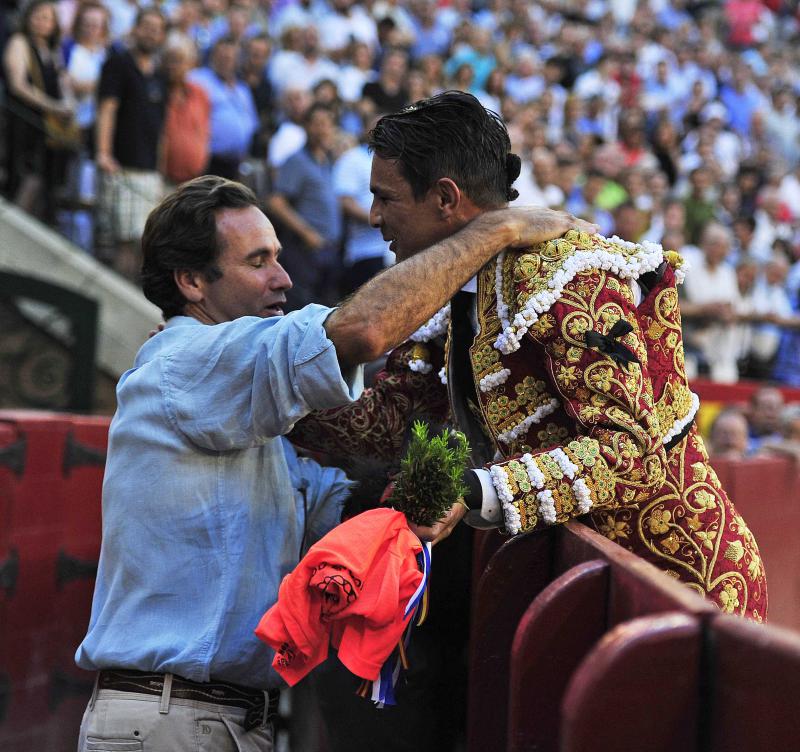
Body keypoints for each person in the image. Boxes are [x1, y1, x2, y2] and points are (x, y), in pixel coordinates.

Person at [74, 173, 585, 752]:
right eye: (258, 261)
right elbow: (360, 331)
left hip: (209, 719)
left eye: (278, 257)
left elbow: (341, 510)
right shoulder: (188, 358)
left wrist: (453, 490)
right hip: (174, 720)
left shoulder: (233, 402)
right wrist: (498, 230)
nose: (283, 279)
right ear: (191, 282)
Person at [294, 91, 767, 621]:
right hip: (583, 585)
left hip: (677, 581)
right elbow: (387, 422)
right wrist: (264, 396)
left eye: (387, 198)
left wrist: (473, 491)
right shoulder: (447, 290)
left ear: (446, 198)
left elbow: (629, 454)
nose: (374, 215)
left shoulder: (564, 277)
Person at [95, 7, 167, 280]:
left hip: (148, 172)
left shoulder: (159, 75)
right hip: (121, 166)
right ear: (135, 29)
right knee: (124, 241)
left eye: (157, 29)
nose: (151, 33)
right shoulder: (118, 63)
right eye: (146, 26)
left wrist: (159, 171)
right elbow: (107, 109)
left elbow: (160, 129)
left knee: (143, 243)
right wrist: (103, 152)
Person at [2, 0, 73, 219]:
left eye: (47, 18)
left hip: (43, 127)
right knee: (22, 174)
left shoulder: (52, 51)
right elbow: (18, 85)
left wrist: (68, 104)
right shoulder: (19, 42)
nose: (41, 22)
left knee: (39, 178)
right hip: (21, 121)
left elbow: (63, 82)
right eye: (37, 16)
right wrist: (53, 107)